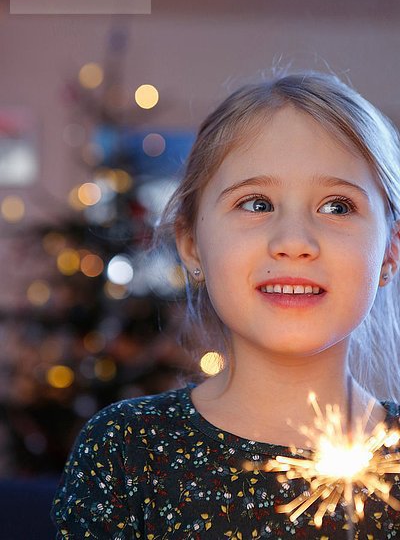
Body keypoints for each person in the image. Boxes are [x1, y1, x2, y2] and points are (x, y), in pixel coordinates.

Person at [52, 70, 400, 539]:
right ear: (192, 244)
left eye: (337, 206)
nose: (294, 242)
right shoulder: (127, 452)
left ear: (389, 253)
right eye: (256, 204)